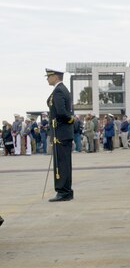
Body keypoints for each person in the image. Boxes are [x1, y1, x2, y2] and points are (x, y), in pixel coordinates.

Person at [46, 67, 75, 202]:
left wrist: (70, 119)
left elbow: (61, 112)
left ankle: (63, 191)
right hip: (63, 133)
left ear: (55, 77)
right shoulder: (62, 89)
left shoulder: (58, 91)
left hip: (60, 133)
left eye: (49, 76)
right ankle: (66, 191)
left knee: (61, 164)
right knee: (65, 163)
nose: (47, 79)